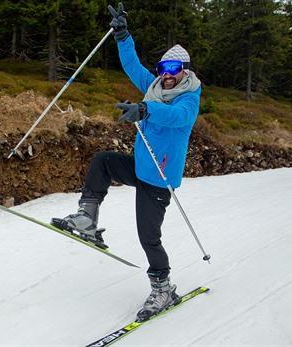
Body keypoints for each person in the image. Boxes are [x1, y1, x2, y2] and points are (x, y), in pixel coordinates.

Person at [51, 2, 202, 321]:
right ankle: (87, 219)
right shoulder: (154, 86)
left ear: (184, 71)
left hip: (159, 179)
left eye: (173, 70)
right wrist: (122, 36)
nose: (166, 76)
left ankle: (163, 287)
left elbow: (178, 117)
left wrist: (146, 110)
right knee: (103, 161)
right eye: (163, 69)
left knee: (148, 236)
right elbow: (133, 66)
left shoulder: (189, 98)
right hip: (140, 165)